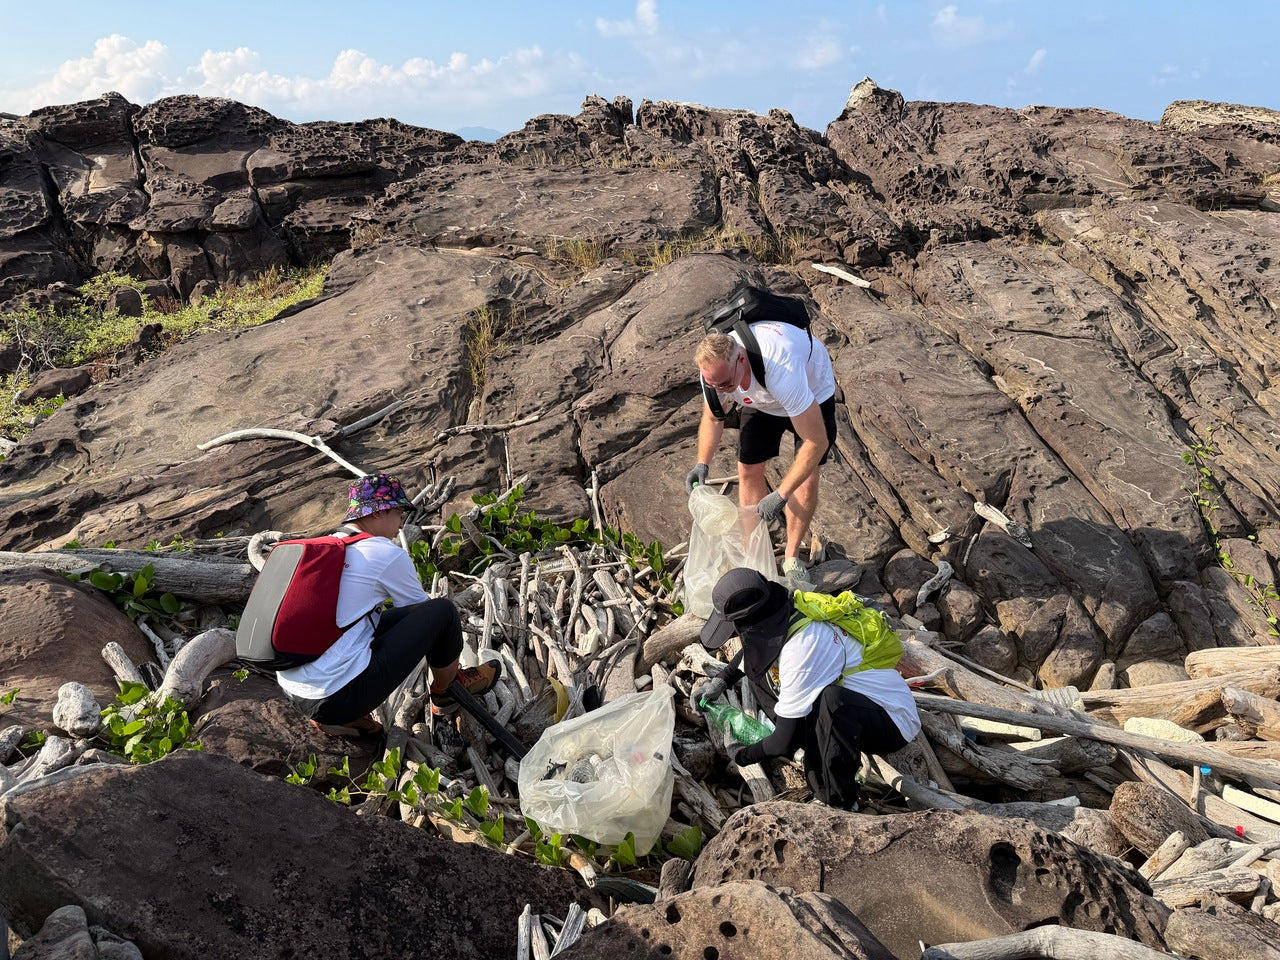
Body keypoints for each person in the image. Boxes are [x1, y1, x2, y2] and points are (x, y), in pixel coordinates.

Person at [276, 473, 500, 737]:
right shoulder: (384, 552)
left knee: (384, 618)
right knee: (443, 612)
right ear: (378, 512)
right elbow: (425, 614)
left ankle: (341, 720)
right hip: (337, 697)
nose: (402, 523)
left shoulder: (328, 546)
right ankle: (446, 692)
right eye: (399, 512)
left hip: (293, 689)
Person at [693, 567, 920, 810]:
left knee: (831, 704)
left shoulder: (802, 649)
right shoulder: (785, 609)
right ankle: (812, 748)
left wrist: (743, 755)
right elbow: (754, 653)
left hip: (891, 720)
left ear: (752, 622)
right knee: (759, 676)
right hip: (850, 701)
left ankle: (840, 802)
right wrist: (721, 682)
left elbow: (782, 743)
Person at [687, 304, 837, 591]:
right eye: (715, 385)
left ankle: (792, 556)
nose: (722, 391)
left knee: (806, 476)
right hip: (760, 401)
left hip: (810, 393)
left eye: (727, 384)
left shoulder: (780, 368)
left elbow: (816, 443)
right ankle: (753, 555)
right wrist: (702, 464)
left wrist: (781, 494)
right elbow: (712, 416)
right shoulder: (716, 375)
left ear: (741, 358)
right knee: (748, 469)